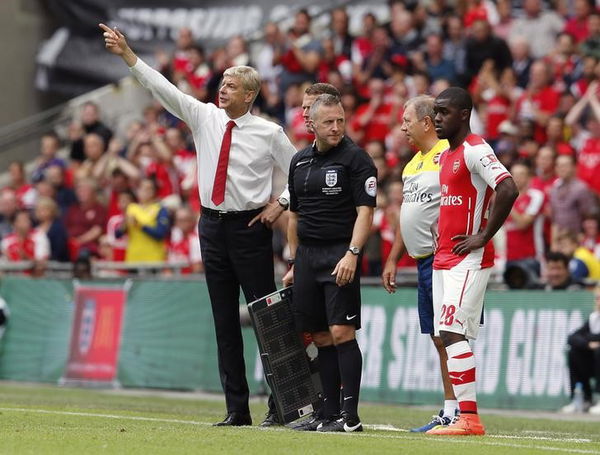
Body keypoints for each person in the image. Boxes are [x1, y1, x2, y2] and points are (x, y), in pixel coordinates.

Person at [100, 23, 297, 427]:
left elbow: (300, 171)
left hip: (249, 227)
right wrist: (127, 55)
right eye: (222, 82)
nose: (221, 89)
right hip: (211, 227)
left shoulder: (269, 132)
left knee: (265, 317)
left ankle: (282, 403)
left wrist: (281, 205)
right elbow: (163, 88)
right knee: (224, 318)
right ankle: (236, 409)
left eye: (231, 85)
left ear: (250, 95)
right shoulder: (203, 116)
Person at [426, 87, 518, 436]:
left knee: (452, 331)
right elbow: (458, 200)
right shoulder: (448, 154)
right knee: (445, 334)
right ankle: (462, 416)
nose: (437, 118)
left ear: (464, 114)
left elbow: (508, 188)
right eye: (435, 111)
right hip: (443, 258)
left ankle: (470, 418)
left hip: (469, 257)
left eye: (444, 112)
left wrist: (483, 235)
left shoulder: (476, 149)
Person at [283, 94, 377, 432]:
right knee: (321, 336)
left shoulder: (357, 160)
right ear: (312, 125)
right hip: (307, 257)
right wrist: (293, 262)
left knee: (341, 331)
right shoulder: (299, 161)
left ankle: (350, 418)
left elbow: (366, 212)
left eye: (340, 120)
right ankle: (327, 413)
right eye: (328, 122)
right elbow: (293, 216)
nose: (336, 127)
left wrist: (352, 253)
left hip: (340, 253)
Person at [382, 95, 458, 432]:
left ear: (426, 122)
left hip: (445, 260)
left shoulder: (450, 154)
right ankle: (451, 406)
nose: (402, 127)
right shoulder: (413, 163)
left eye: (407, 120)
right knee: (437, 337)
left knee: (452, 336)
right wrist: (394, 257)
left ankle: (459, 408)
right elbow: (407, 215)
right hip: (422, 260)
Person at [562, 284, 600, 414]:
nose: (598, 302)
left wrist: (590, 338)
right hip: (593, 363)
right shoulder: (593, 318)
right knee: (574, 352)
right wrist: (588, 344)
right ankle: (582, 398)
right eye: (597, 298)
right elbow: (572, 337)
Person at [120, 178, 169, 263]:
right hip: (134, 257)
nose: (146, 191)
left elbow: (160, 234)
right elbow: (118, 234)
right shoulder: (131, 208)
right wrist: (124, 225)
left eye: (150, 188)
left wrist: (139, 225)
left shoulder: (160, 209)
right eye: (143, 188)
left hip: (153, 258)